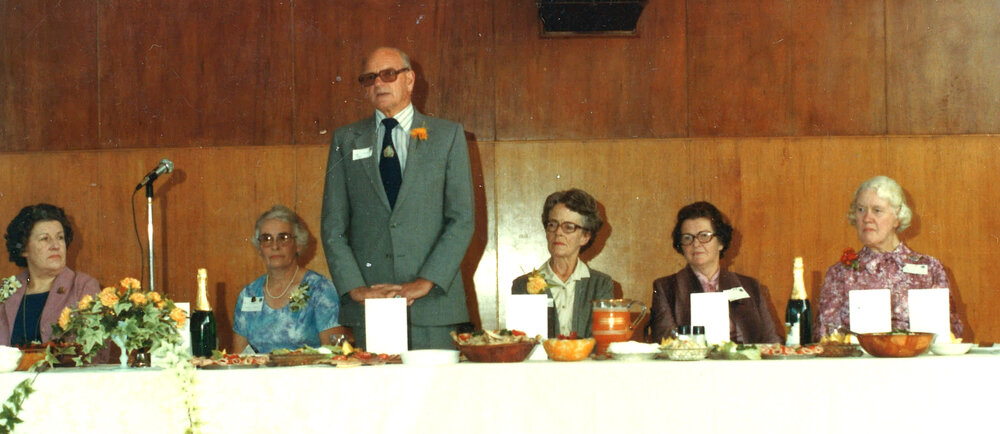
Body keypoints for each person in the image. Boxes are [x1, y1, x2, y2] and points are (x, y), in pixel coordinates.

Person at [321, 46, 474, 350]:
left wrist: (425, 282)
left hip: (433, 305)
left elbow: (462, 220)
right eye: (369, 78)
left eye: (389, 74)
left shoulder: (448, 136)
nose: (379, 83)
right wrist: (355, 289)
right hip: (370, 306)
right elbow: (332, 226)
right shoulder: (345, 140)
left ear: (410, 80)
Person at [814, 175, 963, 339]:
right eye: (860, 209)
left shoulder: (930, 268)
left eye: (877, 210)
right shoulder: (840, 273)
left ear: (897, 218)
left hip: (917, 362)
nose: (867, 218)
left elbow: (951, 332)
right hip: (859, 363)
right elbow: (825, 335)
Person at [650, 202, 781, 344]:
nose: (696, 244)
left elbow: (771, 340)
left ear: (721, 242)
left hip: (745, 364)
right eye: (688, 238)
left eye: (704, 236)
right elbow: (665, 342)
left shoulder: (750, 286)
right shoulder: (666, 287)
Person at [233, 206, 343, 353]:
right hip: (259, 375)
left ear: (298, 245)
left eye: (283, 238)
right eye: (266, 239)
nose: (275, 246)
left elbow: (334, 352)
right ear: (259, 248)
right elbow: (239, 357)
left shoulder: (320, 289)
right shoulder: (249, 294)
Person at [511, 189, 613, 338]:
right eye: (552, 224)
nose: (558, 232)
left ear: (585, 236)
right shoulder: (523, 285)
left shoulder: (601, 284)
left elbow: (603, 341)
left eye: (568, 227)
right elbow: (524, 344)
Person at [0, 204, 100, 346]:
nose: (55, 245)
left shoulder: (83, 287)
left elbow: (96, 352)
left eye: (60, 237)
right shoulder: (7, 291)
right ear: (23, 249)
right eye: (44, 239)